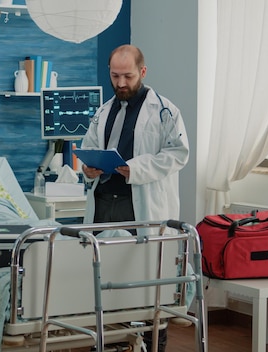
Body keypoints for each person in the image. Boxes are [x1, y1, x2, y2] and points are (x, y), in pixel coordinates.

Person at [80, 44, 190, 352]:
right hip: (104, 202)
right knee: (103, 277)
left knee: (144, 281)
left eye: (127, 76)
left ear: (142, 72)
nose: (120, 83)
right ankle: (104, 343)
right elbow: (90, 145)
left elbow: (178, 154)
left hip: (139, 203)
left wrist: (135, 168)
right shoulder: (104, 110)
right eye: (115, 76)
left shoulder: (165, 111)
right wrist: (88, 167)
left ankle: (153, 344)